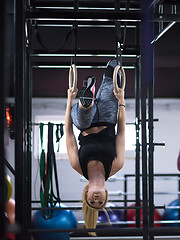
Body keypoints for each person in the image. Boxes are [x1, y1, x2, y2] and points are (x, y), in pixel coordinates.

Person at [65, 59, 126, 234]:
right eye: (100, 202)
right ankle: (89, 96)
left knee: (84, 113)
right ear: (107, 194)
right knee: (114, 66)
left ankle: (87, 99)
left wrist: (69, 100)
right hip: (108, 117)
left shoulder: (78, 166)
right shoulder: (116, 165)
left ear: (86, 195)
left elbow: (69, 133)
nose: (97, 199)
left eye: (92, 201)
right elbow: (121, 132)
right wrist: (121, 101)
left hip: (85, 123)